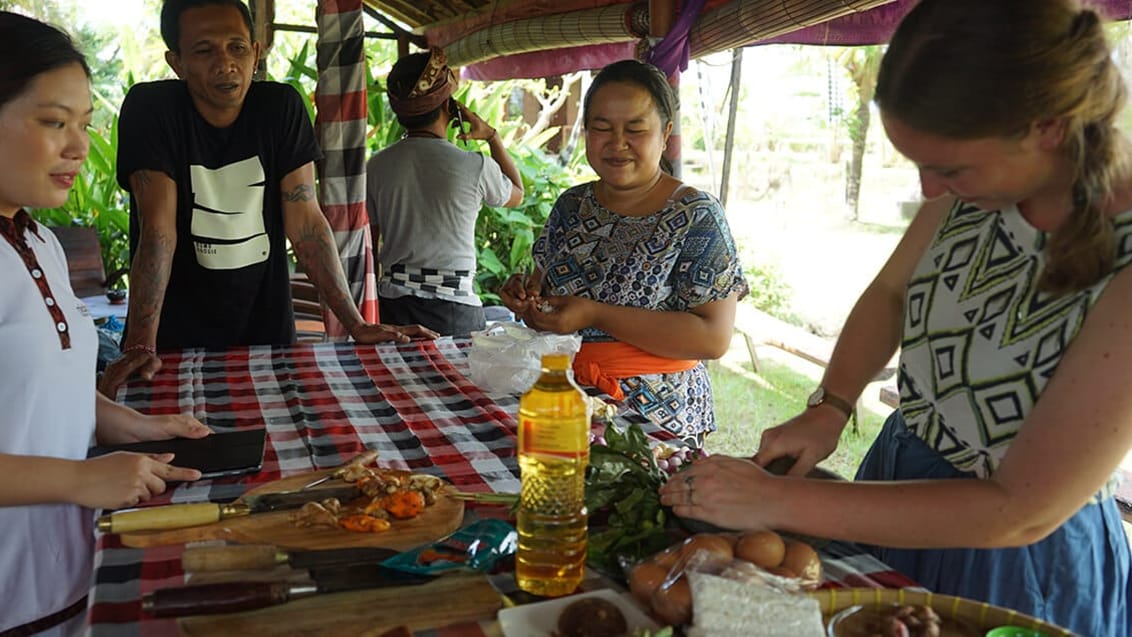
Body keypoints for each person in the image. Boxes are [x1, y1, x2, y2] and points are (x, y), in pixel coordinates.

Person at [660, 0, 1132, 633]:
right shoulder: (979, 186)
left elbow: (1021, 509)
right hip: (899, 480)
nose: (930, 190)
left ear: (1046, 127)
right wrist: (831, 406)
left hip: (1013, 554)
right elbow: (891, 294)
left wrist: (776, 498)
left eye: (947, 167)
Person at [98, 0, 437, 398]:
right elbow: (159, 229)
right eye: (205, 50)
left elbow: (306, 223)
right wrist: (140, 341)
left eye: (237, 47)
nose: (226, 63)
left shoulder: (280, 109)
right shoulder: (152, 109)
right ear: (177, 62)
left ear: (255, 52)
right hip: (172, 342)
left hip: (267, 335)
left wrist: (355, 323)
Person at [0, 13, 210, 635]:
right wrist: (79, 476)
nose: (79, 147)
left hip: (60, 568)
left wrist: (132, 424)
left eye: (84, 125)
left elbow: (39, 383)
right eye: (53, 122)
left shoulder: (37, 240)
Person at [500, 59, 748, 446]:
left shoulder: (695, 216)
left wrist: (597, 313)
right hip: (564, 398)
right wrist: (528, 300)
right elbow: (545, 292)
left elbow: (712, 338)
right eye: (601, 128)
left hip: (653, 419)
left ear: (665, 134)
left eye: (635, 129)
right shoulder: (572, 205)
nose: (617, 144)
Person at [366, 48, 523, 337]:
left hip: (393, 307)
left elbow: (370, 246)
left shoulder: (376, 166)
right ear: (449, 106)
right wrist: (492, 136)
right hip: (456, 311)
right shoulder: (474, 165)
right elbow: (517, 193)